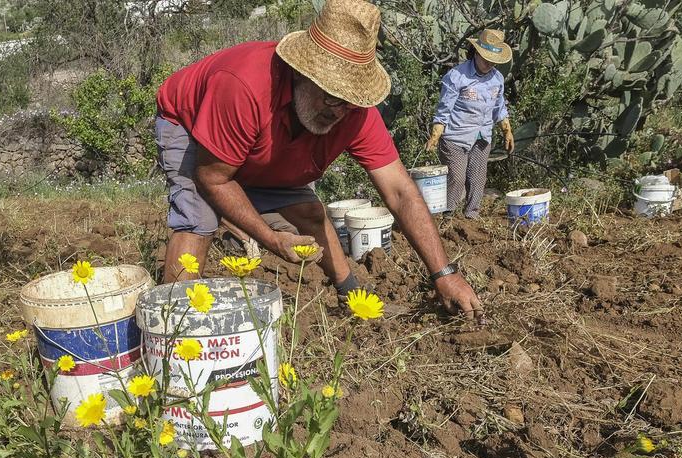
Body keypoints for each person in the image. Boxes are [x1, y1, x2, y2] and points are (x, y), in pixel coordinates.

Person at [155, 0, 483, 321]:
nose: (337, 111)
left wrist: (444, 273)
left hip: (259, 140)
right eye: (330, 95)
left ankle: (349, 293)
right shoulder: (244, 86)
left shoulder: (352, 112)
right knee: (199, 219)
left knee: (310, 212)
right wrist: (270, 239)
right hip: (191, 124)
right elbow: (214, 178)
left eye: (349, 102)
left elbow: (400, 191)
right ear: (301, 72)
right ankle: (172, 331)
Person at [424, 29, 515, 219]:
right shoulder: (457, 76)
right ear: (476, 53)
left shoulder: (497, 78)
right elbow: (444, 109)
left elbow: (499, 108)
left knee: (477, 178)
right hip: (455, 137)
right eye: (485, 58)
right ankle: (448, 216)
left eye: (493, 60)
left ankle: (471, 216)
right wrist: (435, 135)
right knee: (456, 178)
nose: (489, 63)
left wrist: (507, 131)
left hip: (482, 137)